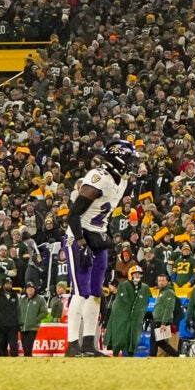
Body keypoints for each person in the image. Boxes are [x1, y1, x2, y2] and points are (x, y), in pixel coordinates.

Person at [61, 140, 142, 357]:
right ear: (118, 158)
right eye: (129, 159)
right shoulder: (99, 178)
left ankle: (88, 344)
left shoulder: (121, 182)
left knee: (96, 293)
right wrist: (80, 241)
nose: (132, 164)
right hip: (79, 235)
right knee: (80, 291)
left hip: (97, 236)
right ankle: (72, 345)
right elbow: (73, 214)